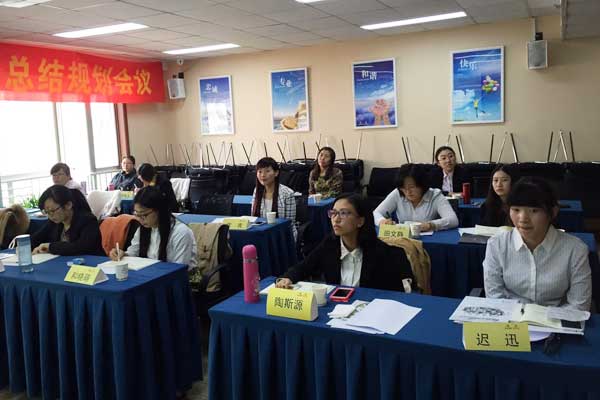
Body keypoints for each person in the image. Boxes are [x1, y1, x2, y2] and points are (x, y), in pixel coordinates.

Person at [483, 177, 591, 311]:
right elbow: (494, 297)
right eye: (516, 210)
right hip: (511, 319)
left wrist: (545, 320)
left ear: (553, 212)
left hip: (557, 320)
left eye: (534, 211)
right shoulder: (496, 245)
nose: (523, 219)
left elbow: (579, 305)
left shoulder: (575, 250)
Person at [276, 193, 415, 291]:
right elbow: (304, 267)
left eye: (343, 213)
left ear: (360, 221)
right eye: (333, 213)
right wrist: (288, 278)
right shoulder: (330, 244)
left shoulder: (383, 254)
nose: (336, 219)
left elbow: (394, 295)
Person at [109, 186, 197, 269]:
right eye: (137, 214)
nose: (140, 219)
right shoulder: (143, 229)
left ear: (159, 210)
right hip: (154, 273)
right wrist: (122, 254)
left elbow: (179, 268)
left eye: (144, 215)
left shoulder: (180, 232)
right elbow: (133, 253)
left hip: (179, 277)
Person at [373, 163, 458, 232]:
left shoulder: (435, 195)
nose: (408, 192)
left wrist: (431, 225)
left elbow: (453, 220)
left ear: (422, 185)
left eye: (412, 187)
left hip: (430, 241)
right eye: (403, 188)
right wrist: (382, 221)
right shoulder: (397, 193)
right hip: (404, 241)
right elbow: (376, 213)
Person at [31, 185, 104, 256]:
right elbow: (35, 239)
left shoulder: (87, 220)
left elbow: (81, 247)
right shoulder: (54, 222)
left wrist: (50, 247)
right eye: (47, 212)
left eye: (52, 211)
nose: (50, 216)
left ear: (68, 205)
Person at [251, 157, 297, 239]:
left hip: (282, 234)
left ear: (276, 173)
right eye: (260, 171)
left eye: (267, 171)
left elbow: (289, 223)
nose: (263, 175)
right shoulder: (256, 191)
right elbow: (253, 218)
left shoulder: (287, 193)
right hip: (261, 233)